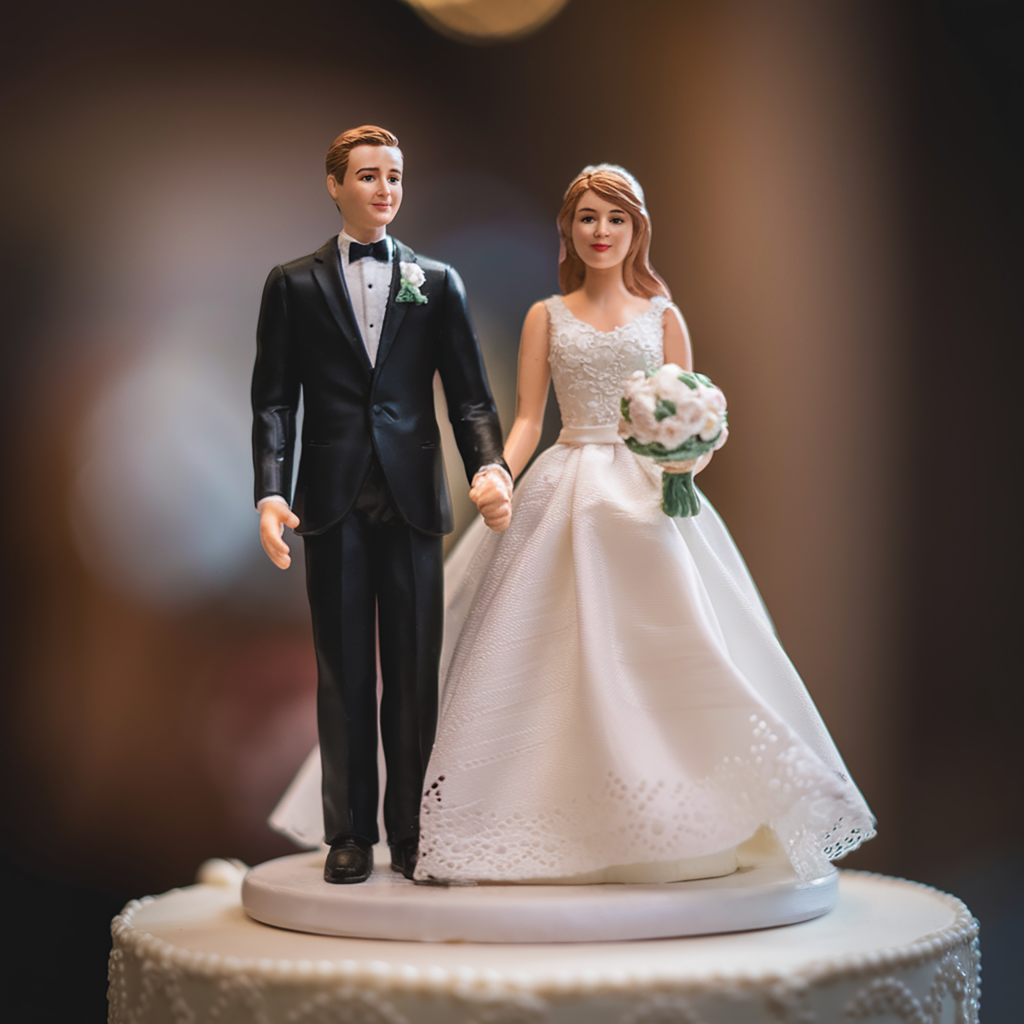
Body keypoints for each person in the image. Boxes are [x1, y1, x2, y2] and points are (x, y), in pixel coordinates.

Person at [410, 164, 875, 884]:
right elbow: (531, 417)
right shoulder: (546, 315)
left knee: (674, 635)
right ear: (569, 229)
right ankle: (543, 814)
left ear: (637, 229)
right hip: (568, 483)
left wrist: (687, 459)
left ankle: (685, 813)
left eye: (615, 219)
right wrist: (497, 469)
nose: (601, 232)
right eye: (588, 218)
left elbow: (690, 401)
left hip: (650, 491)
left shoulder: (663, 317)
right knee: (542, 643)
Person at [252, 125, 511, 885]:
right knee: (341, 677)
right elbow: (274, 402)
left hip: (413, 498)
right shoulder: (293, 285)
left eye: (394, 175)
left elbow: (470, 397)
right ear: (335, 185)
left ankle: (414, 828)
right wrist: (271, 488)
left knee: (413, 672)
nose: (384, 189)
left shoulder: (438, 281)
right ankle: (349, 833)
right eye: (368, 175)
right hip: (329, 502)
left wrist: (489, 467)